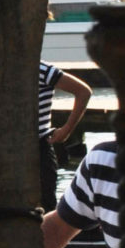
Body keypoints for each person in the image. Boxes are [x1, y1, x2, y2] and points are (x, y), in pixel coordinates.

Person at [38, 60, 92, 209]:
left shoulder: (42, 69)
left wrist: (66, 130)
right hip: (6, 148)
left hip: (39, 147)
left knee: (45, 204)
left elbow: (83, 91)